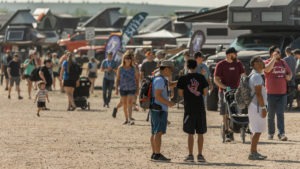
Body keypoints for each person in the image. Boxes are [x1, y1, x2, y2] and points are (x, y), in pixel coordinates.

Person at [177, 59, 208, 162]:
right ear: (196, 66)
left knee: (190, 133)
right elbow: (205, 92)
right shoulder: (201, 77)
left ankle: (190, 155)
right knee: (200, 133)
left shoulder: (183, 78)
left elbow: (180, 93)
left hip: (189, 108)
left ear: (187, 66)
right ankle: (200, 155)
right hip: (200, 107)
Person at [214, 47, 245, 142]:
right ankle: (227, 132)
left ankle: (236, 128)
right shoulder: (221, 65)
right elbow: (216, 79)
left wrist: (243, 85)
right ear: (228, 55)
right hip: (224, 91)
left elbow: (243, 75)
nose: (236, 55)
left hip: (237, 91)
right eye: (234, 54)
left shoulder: (238, 63)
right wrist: (224, 87)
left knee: (237, 110)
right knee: (225, 111)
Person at [264, 46, 292, 141]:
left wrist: (289, 77)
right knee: (271, 115)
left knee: (280, 114)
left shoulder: (283, 62)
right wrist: (273, 59)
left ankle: (281, 134)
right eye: (277, 52)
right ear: (272, 53)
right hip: (270, 93)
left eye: (279, 52)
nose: (279, 54)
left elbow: (290, 73)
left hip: (282, 93)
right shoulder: (267, 62)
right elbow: (267, 70)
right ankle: (271, 133)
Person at [150, 60, 175, 162]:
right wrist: (168, 103)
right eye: (171, 70)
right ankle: (157, 154)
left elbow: (170, 84)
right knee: (158, 132)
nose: (172, 72)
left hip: (155, 108)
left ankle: (154, 153)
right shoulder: (160, 80)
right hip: (159, 109)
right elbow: (158, 96)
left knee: (154, 132)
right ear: (165, 69)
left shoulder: (159, 78)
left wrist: (181, 81)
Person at [248, 56, 268, 160]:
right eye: (259, 61)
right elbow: (258, 94)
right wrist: (263, 108)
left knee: (255, 130)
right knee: (258, 130)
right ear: (254, 63)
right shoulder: (256, 76)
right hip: (257, 106)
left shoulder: (254, 75)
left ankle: (254, 151)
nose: (262, 62)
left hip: (254, 105)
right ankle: (252, 153)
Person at [112, 51, 139, 125]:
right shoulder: (120, 68)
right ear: (124, 59)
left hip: (131, 88)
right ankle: (126, 119)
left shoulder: (134, 68)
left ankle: (130, 118)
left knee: (130, 102)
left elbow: (137, 79)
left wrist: (137, 89)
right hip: (123, 88)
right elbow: (117, 79)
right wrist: (116, 89)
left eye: (129, 58)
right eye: (126, 58)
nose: (128, 60)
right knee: (124, 104)